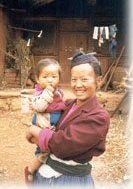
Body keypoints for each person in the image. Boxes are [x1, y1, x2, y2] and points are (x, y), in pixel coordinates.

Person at [25, 51, 110, 188]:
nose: (78, 85)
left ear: (98, 81)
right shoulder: (69, 104)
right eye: (74, 79)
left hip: (70, 180)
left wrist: (34, 131)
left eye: (84, 79)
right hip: (46, 176)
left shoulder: (98, 117)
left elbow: (63, 146)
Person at [25, 58, 66, 184]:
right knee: (43, 151)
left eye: (54, 76)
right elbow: (39, 107)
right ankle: (31, 170)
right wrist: (47, 93)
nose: (50, 80)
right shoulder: (39, 93)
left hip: (54, 124)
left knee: (50, 150)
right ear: (37, 79)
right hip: (44, 125)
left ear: (59, 78)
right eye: (45, 76)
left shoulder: (57, 90)